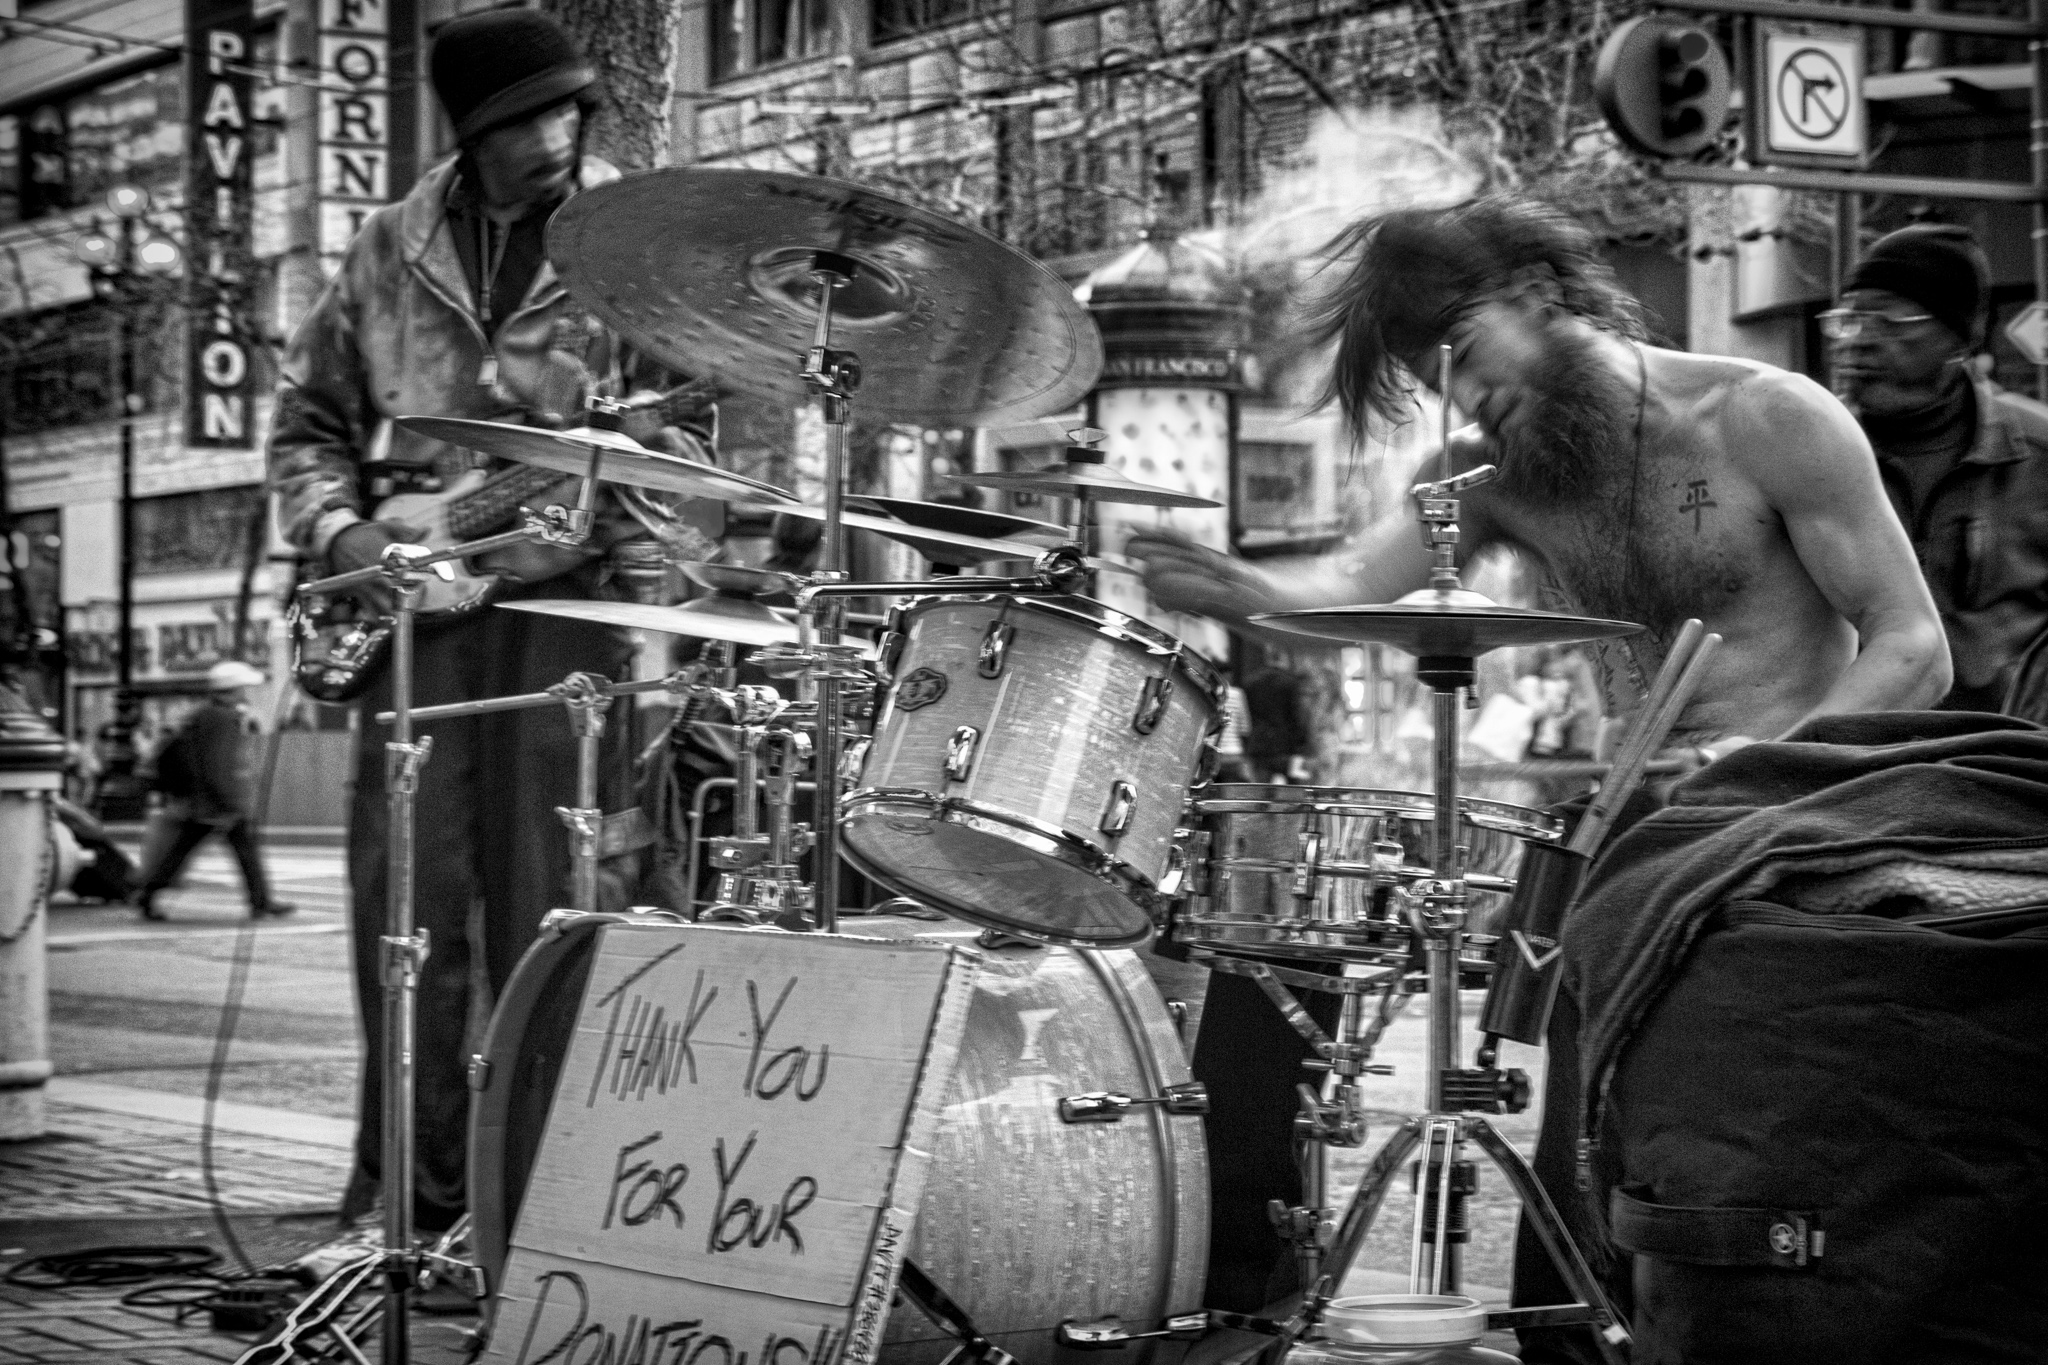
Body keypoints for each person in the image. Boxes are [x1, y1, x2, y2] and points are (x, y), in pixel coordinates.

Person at [1128, 195, 1950, 1346]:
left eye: (1469, 353)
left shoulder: (1765, 416)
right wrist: (1243, 591)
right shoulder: (1490, 475)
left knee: (1722, 1130)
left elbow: (1911, 645)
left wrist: (1761, 767)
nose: (1467, 396)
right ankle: (1572, 1333)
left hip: (1786, 818)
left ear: (1534, 295)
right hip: (1630, 828)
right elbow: (1352, 592)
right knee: (1578, 1109)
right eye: (1438, 380)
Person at [268, 10, 688, 1240]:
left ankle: (546, 1208)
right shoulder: (387, 245)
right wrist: (344, 535)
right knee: (405, 905)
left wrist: (650, 591)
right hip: (415, 613)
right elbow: (305, 422)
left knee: (558, 899)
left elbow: (685, 445)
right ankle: (409, 1205)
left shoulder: (630, 238)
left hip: (570, 615)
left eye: (566, 110)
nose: (553, 136)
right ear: (471, 134)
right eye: (523, 119)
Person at [1825, 223, 2048, 723]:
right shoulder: (1806, 451)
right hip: (1842, 753)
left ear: (1960, 336)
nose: (1858, 341)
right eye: (1848, 320)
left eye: (1890, 319)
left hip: (2001, 753)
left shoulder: (2039, 455)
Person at [131, 661, 293, 920]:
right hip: (214, 802)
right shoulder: (223, 719)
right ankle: (260, 902)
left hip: (203, 798)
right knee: (225, 850)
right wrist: (229, 801)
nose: (246, 693)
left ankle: (148, 894)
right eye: (242, 687)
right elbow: (220, 764)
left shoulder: (203, 714)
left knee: (190, 849)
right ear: (233, 689)